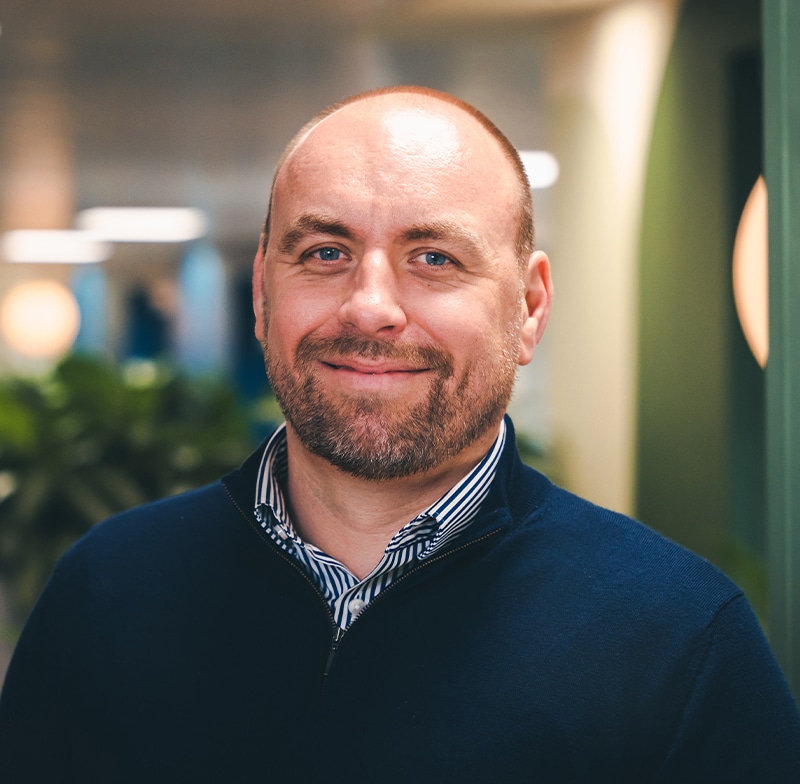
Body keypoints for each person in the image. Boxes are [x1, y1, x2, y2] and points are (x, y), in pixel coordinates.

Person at [1, 86, 799, 783]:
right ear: (261, 291)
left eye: (434, 258)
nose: (368, 305)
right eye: (324, 252)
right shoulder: (105, 593)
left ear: (528, 307)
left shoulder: (680, 642)